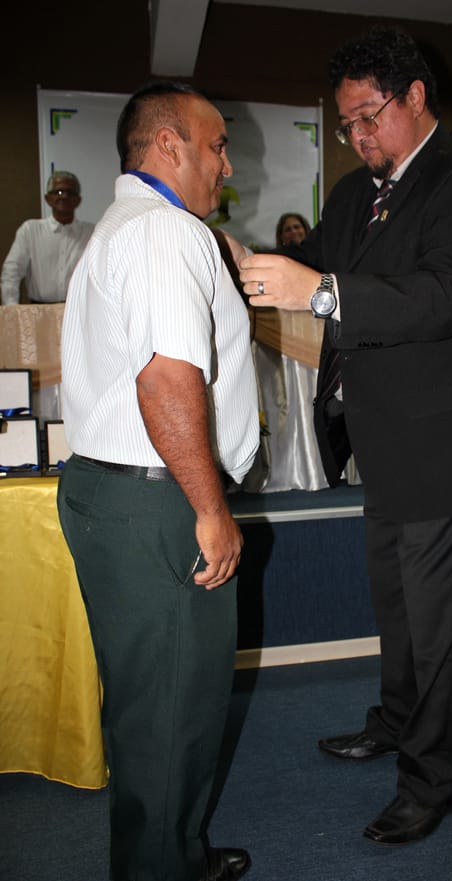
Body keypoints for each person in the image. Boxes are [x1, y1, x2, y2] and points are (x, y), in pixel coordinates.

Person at [237, 25, 452, 847]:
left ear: (416, 96)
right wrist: (235, 259)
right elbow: (312, 262)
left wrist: (321, 291)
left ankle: (431, 781)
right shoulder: (353, 195)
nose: (359, 136)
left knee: (442, 630)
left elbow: (449, 293)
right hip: (386, 441)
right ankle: (399, 721)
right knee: (401, 613)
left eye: (370, 116)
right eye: (347, 125)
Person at [57, 81, 259, 881]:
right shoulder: (164, 232)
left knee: (160, 706)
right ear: (169, 144)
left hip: (123, 490)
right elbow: (166, 379)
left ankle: (174, 853)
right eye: (217, 146)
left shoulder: (130, 228)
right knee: (169, 715)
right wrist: (210, 508)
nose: (227, 165)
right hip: (159, 499)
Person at [1, 171, 94, 304]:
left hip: (79, 310)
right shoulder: (30, 230)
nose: (64, 196)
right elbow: (11, 272)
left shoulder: (91, 233)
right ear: (48, 198)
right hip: (40, 311)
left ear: (78, 200)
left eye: (70, 193)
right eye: (59, 192)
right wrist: (12, 311)